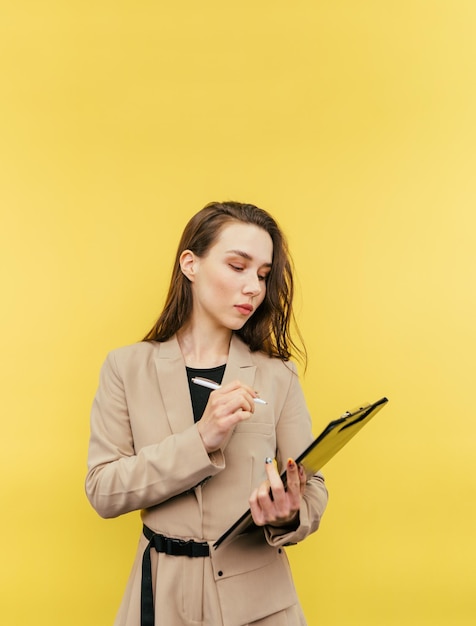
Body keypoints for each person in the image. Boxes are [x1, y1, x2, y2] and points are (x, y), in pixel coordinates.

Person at [86, 201, 328, 626]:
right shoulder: (125, 368)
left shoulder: (279, 374)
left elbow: (311, 485)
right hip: (159, 599)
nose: (254, 286)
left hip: (261, 603)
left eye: (263, 275)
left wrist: (290, 513)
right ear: (190, 264)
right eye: (238, 266)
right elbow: (103, 490)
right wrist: (201, 440)